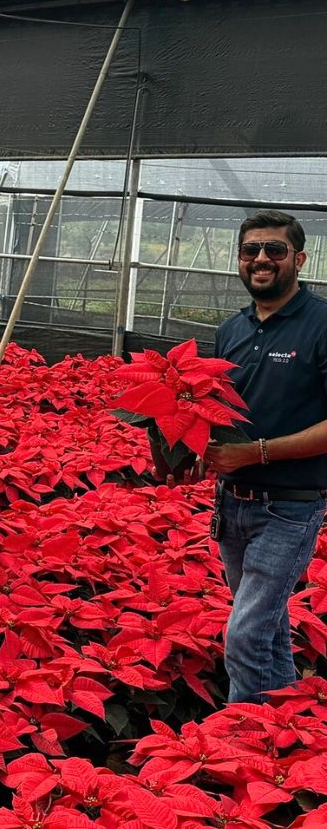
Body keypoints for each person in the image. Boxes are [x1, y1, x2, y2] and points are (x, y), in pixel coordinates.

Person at [198, 210, 327, 704]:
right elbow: (214, 410)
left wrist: (255, 452)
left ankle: (240, 746)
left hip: (290, 508)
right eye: (251, 249)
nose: (261, 259)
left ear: (299, 258)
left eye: (274, 250)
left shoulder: (320, 325)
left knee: (245, 634)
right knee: (268, 627)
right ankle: (286, 727)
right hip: (232, 503)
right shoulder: (231, 329)